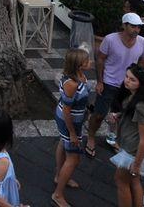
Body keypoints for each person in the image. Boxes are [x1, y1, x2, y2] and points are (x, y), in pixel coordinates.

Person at [86, 12, 144, 157]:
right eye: (133, 26)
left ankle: (112, 138)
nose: (136, 30)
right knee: (99, 115)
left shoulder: (143, 42)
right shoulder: (110, 39)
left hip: (128, 87)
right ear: (124, 25)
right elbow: (100, 59)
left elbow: (142, 62)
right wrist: (100, 81)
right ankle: (91, 137)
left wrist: (142, 83)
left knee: (120, 116)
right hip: (109, 83)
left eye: (138, 27)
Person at [109, 64, 144, 207]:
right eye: (126, 77)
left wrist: (137, 164)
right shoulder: (135, 97)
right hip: (133, 148)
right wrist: (120, 115)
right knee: (134, 181)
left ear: (141, 83)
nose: (127, 81)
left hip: (134, 151)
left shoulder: (141, 106)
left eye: (132, 79)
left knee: (121, 182)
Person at [53, 47, 91, 207]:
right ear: (79, 65)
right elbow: (68, 111)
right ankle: (58, 195)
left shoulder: (79, 76)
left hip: (75, 119)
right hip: (69, 121)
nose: (90, 62)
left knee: (63, 143)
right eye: (87, 61)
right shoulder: (72, 84)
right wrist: (72, 133)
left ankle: (59, 176)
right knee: (73, 159)